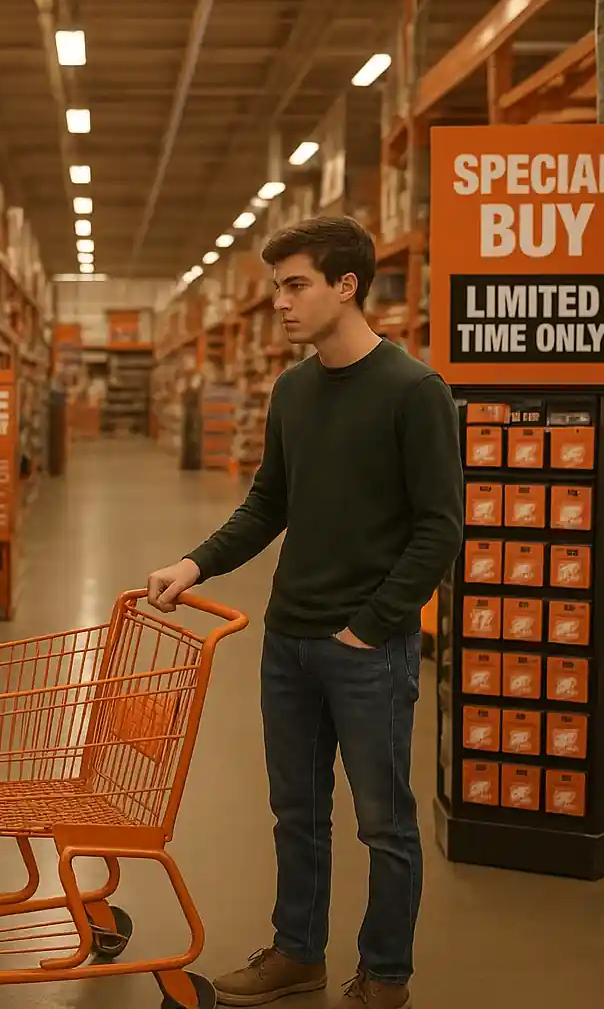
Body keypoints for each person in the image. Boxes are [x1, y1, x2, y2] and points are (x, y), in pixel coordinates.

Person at [147, 216, 463, 1009]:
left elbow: (440, 527)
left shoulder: (414, 391)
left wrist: (374, 623)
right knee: (296, 814)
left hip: (367, 648)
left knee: (384, 827)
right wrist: (194, 563)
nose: (282, 304)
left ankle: (386, 973)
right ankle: (299, 953)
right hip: (287, 641)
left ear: (346, 286)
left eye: (296, 286)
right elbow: (267, 504)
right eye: (278, 287)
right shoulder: (292, 390)